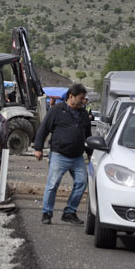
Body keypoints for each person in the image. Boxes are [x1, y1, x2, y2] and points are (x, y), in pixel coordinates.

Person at [33, 83, 92, 225]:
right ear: (71, 96)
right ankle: (46, 213)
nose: (83, 101)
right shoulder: (56, 110)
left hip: (78, 157)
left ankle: (70, 212)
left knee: (81, 182)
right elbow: (44, 129)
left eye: (84, 98)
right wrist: (38, 148)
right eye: (81, 98)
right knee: (52, 185)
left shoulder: (84, 114)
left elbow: (88, 136)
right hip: (60, 155)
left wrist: (91, 155)